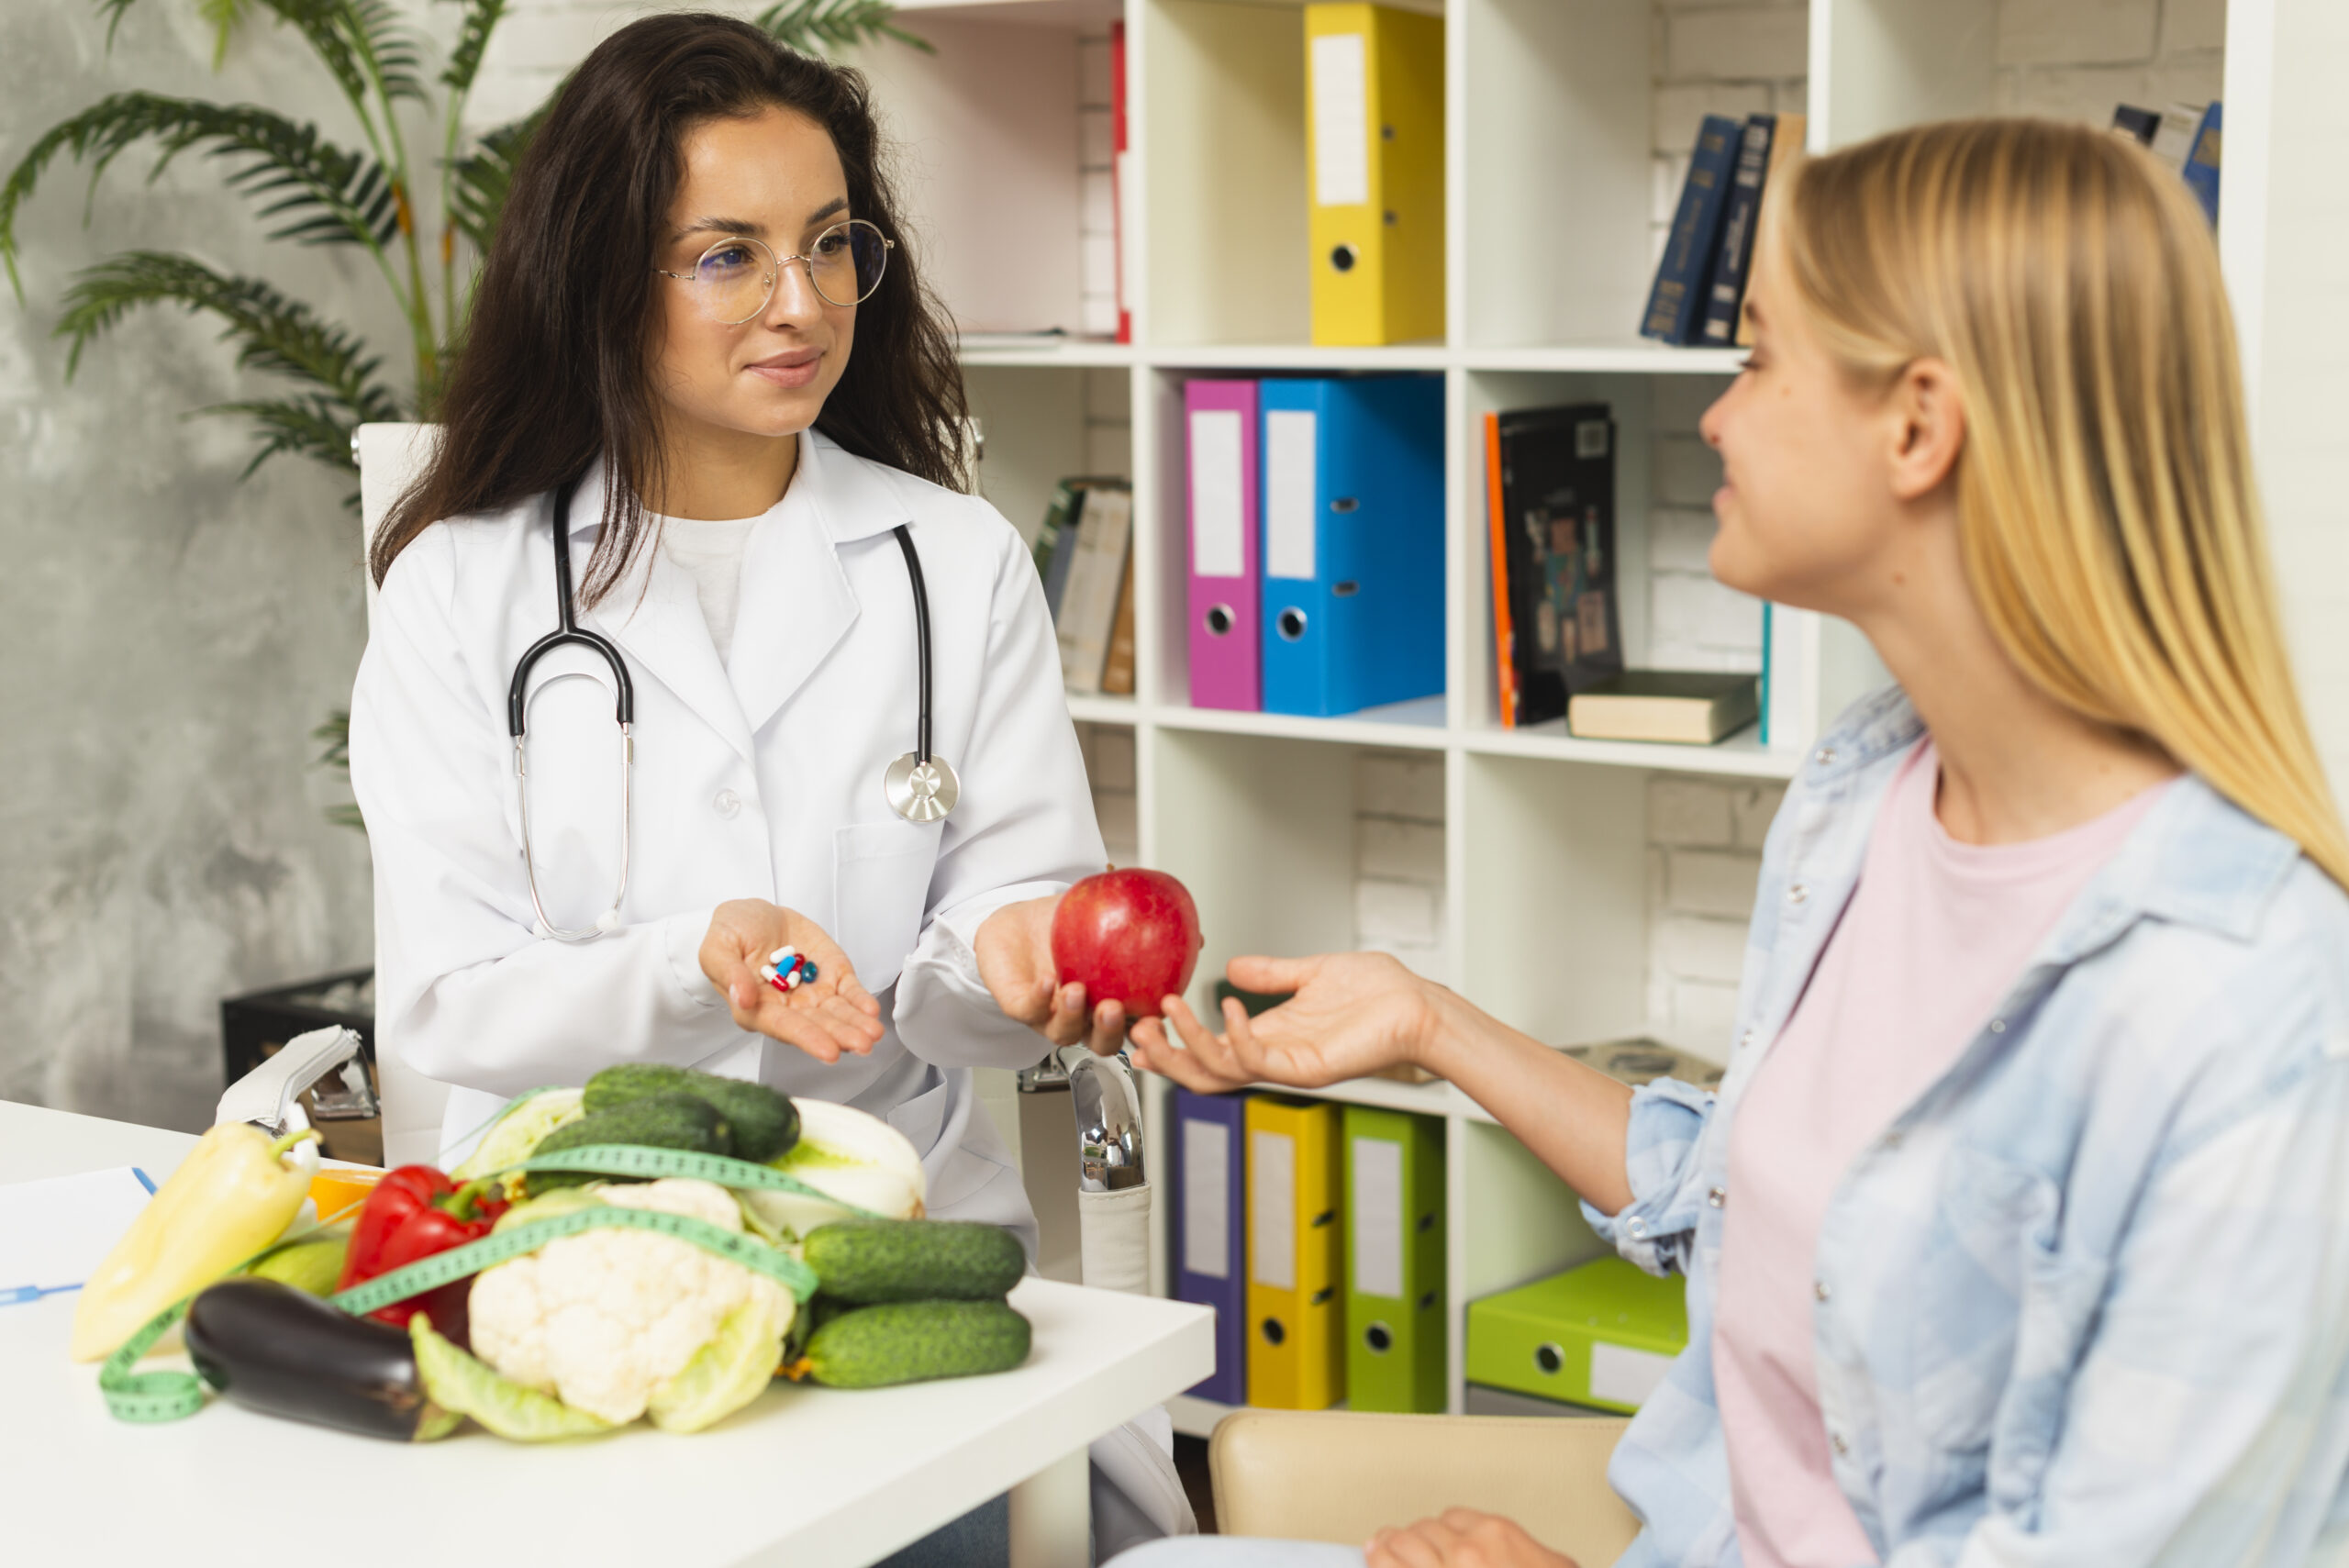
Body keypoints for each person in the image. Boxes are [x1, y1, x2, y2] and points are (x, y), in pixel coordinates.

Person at [1114, 118, 2349, 1568]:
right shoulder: (1866, 799)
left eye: (1759, 360)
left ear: (1918, 425)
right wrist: (1427, 1022)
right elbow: (1762, 1207)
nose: (1716, 414)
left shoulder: (2250, 1004)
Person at [351, 17, 1168, 1561]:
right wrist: (693, 959)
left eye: (830, 244)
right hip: (579, 1266)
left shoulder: (954, 562)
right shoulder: (459, 590)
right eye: (727, 256)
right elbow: (448, 1004)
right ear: (604, 277)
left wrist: (1011, 956)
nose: (803, 305)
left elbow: (993, 920)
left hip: (889, 1244)